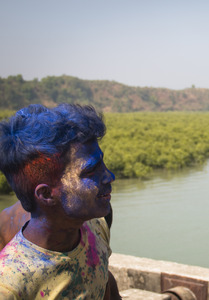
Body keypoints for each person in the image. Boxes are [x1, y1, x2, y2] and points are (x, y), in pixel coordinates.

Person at [0, 104, 121, 299]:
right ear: (47, 195)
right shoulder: (10, 285)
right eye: (90, 171)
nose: (109, 176)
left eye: (103, 164)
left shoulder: (96, 228)